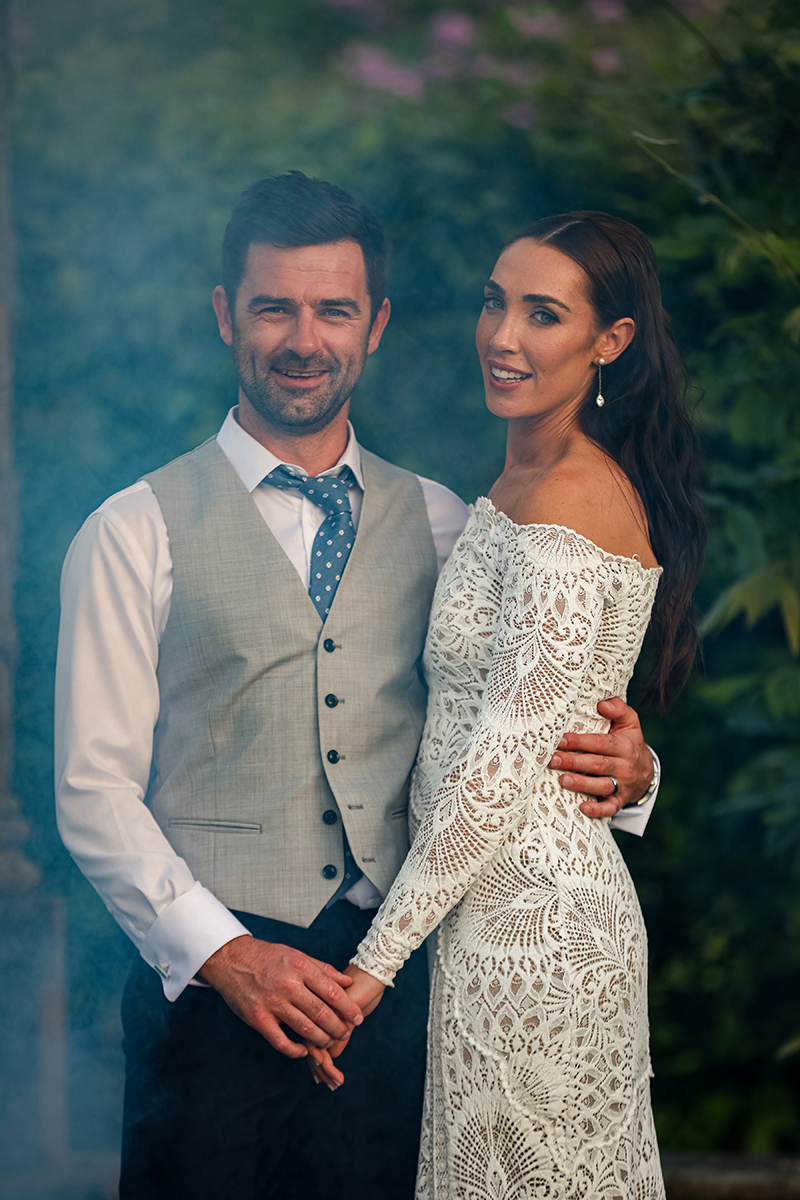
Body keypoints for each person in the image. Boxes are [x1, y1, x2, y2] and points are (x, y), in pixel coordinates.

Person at [55, 177, 662, 1200]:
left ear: (374, 324)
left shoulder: (444, 524)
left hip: (405, 997)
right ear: (223, 315)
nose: (303, 338)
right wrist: (226, 955)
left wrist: (632, 770)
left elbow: (510, 710)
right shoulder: (132, 529)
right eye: (272, 307)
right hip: (213, 995)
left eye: (333, 309)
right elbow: (92, 792)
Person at [310, 211, 706, 1198]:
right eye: (494, 303)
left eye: (542, 314)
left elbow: (500, 754)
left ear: (607, 341)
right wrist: (638, 767)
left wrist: (371, 969)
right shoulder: (518, 476)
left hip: (538, 931)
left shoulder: (571, 491)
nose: (502, 336)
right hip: (482, 917)